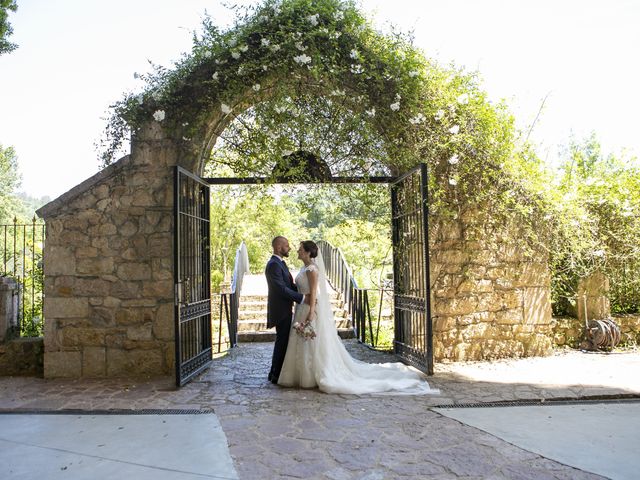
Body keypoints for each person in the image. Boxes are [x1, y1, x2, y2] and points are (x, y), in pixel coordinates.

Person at [278, 240, 439, 395]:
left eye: (300, 249)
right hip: (301, 307)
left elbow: (314, 292)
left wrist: (311, 311)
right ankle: (302, 375)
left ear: (307, 252)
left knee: (312, 341)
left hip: (309, 307)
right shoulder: (303, 268)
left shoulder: (312, 269)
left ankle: (312, 376)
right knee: (303, 341)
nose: (297, 251)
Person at [265, 236, 306, 384]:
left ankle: (274, 372)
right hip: (280, 310)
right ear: (278, 248)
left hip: (285, 308)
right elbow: (281, 289)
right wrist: (301, 298)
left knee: (283, 341)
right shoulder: (274, 265)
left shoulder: (280, 263)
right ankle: (276, 374)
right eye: (287, 246)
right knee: (282, 341)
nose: (289, 248)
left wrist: (302, 290)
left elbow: (288, 285)